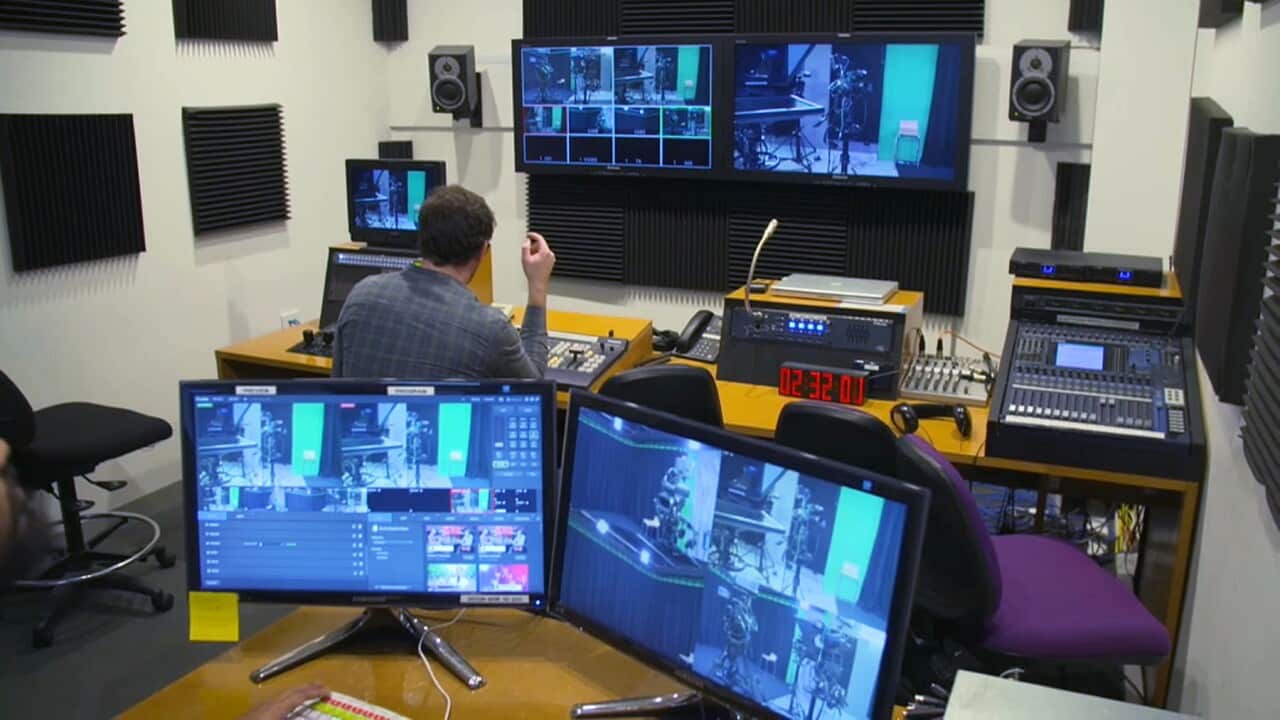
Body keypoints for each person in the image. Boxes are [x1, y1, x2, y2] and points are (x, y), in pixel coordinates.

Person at [333, 185, 555, 380]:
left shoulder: (361, 295)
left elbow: (336, 387)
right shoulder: (489, 328)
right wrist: (537, 286)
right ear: (483, 251)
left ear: (421, 238)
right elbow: (534, 389)